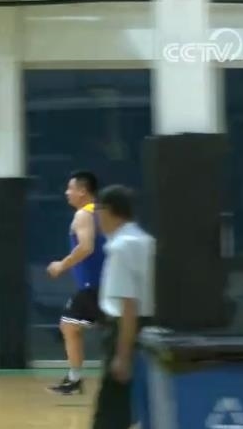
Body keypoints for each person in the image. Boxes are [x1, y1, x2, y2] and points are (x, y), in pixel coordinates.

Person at [90, 184, 155, 429]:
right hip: (149, 332)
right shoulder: (147, 242)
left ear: (108, 211)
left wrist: (122, 355)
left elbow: (128, 305)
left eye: (97, 211)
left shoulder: (121, 248)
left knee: (110, 414)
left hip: (125, 333)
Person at [46, 171, 107, 395]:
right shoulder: (104, 212)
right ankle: (75, 379)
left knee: (69, 325)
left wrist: (61, 265)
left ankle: (74, 381)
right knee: (74, 326)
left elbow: (86, 247)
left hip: (94, 286)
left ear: (82, 191)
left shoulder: (83, 214)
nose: (67, 192)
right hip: (107, 285)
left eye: (70, 188)